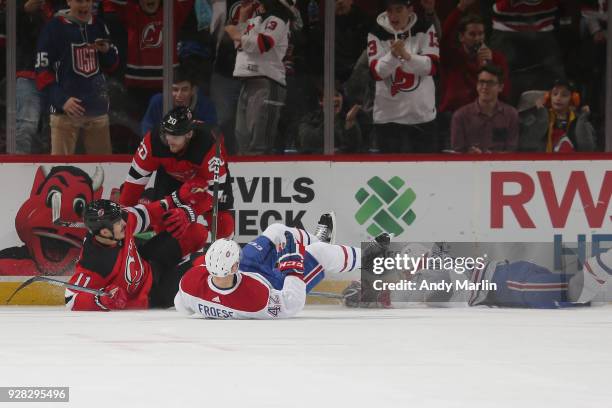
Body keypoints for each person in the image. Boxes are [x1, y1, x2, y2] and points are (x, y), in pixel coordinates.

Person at [174, 214, 364, 319]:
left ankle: (316, 240)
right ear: (233, 267)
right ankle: (371, 258)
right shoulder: (256, 299)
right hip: (274, 284)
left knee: (276, 231)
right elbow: (292, 304)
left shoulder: (189, 284)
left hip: (245, 273)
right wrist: (293, 271)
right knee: (320, 253)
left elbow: (181, 305)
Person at [346, 240, 612, 309]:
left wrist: (376, 295)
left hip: (509, 283)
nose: (406, 273)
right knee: (584, 295)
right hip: (511, 279)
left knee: (579, 290)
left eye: (407, 268)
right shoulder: (437, 266)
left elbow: (436, 288)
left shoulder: (434, 271)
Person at [119, 106, 235, 250]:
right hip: (170, 176)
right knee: (165, 224)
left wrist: (189, 212)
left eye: (174, 136)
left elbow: (216, 190)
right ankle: (170, 262)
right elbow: (133, 184)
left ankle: (228, 258)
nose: (168, 140)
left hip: (205, 180)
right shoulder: (153, 141)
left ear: (189, 134)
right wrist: (121, 221)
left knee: (224, 224)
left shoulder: (208, 144)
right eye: (166, 134)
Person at [65, 194, 206, 311]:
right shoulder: (94, 261)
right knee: (202, 265)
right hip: (152, 293)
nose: (124, 223)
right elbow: (70, 298)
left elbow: (148, 213)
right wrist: (100, 299)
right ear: (104, 232)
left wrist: (183, 209)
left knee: (196, 232)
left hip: (149, 262)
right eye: (118, 222)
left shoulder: (120, 222)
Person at [36, 0, 119, 155]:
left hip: (96, 111)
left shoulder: (99, 26)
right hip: (64, 113)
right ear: (68, 1)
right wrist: (62, 99)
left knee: (103, 168)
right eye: (79, 1)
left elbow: (112, 65)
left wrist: (107, 51)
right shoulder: (53, 28)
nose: (84, 5)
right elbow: (42, 71)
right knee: (60, 170)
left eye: (88, 0)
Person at [367, 0, 439, 153]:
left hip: (422, 117)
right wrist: (393, 55)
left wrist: (406, 56)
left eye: (399, 10)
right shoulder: (376, 32)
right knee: (389, 174)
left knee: (425, 173)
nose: (393, 16)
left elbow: (432, 67)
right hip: (388, 120)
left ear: (410, 10)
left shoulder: (425, 28)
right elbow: (376, 73)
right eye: (390, 10)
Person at [225, 0, 295, 154]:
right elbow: (240, 45)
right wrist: (243, 19)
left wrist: (236, 34)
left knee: (259, 143)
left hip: (267, 82)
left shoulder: (279, 18)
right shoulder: (257, 18)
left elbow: (262, 44)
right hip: (248, 81)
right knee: (241, 140)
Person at [439, 0, 510, 114]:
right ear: (461, 37)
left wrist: (489, 67)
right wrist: (461, 7)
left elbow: (504, 93)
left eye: (481, 34)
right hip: (453, 115)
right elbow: (446, 36)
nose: (477, 39)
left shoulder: (497, 59)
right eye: (472, 34)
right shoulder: (452, 56)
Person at [450, 64, 518, 153]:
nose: (485, 87)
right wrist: (469, 153)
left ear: (500, 87)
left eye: (490, 83)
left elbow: (512, 151)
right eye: (481, 82)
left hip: (500, 165)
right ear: (477, 85)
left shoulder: (511, 114)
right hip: (470, 165)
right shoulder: (460, 116)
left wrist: (493, 156)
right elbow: (457, 152)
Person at [518, 79, 596, 153]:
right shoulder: (538, 116)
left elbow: (588, 149)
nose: (558, 98)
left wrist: (582, 120)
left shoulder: (580, 120)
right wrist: (541, 117)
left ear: (573, 99)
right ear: (548, 97)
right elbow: (527, 144)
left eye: (564, 95)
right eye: (555, 94)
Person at [140, 65, 218, 137]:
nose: (179, 95)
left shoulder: (206, 106)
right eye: (175, 89)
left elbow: (212, 133)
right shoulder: (157, 102)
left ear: (193, 90)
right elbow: (147, 129)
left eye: (184, 90)